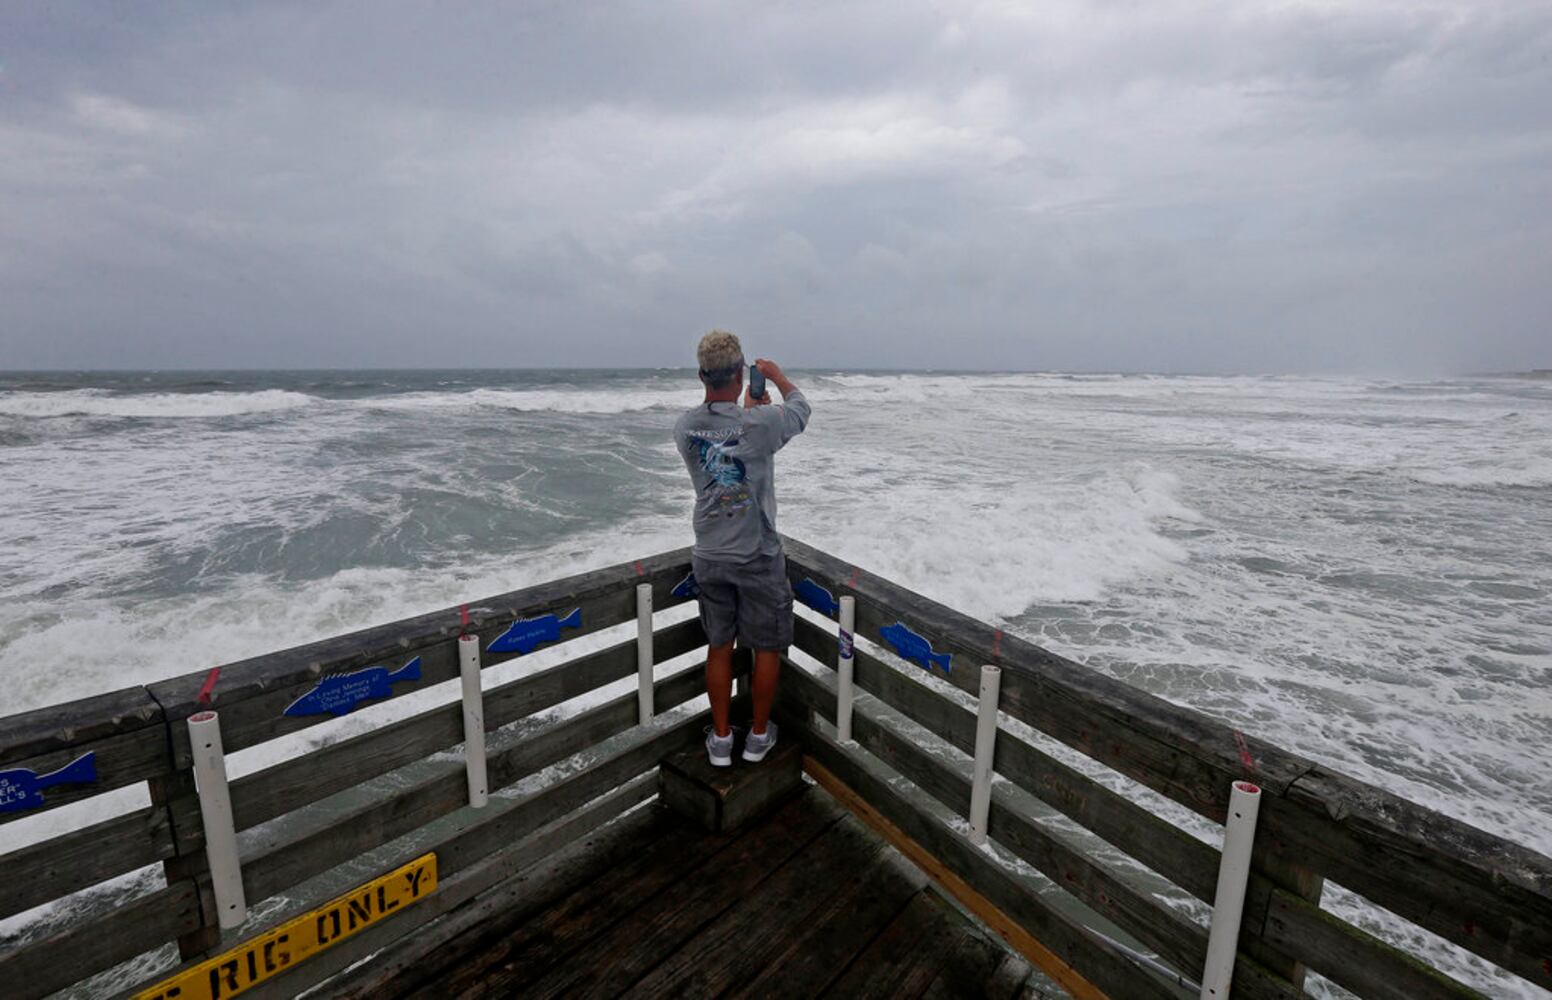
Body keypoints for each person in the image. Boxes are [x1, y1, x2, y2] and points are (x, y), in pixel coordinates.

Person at [673, 330, 811, 766]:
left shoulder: (684, 427)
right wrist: (776, 376)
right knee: (765, 647)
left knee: (720, 645)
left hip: (710, 553)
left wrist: (748, 414)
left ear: (701, 375)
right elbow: (800, 411)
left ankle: (718, 740)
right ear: (741, 372)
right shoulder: (762, 423)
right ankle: (755, 737)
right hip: (756, 552)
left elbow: (727, 441)